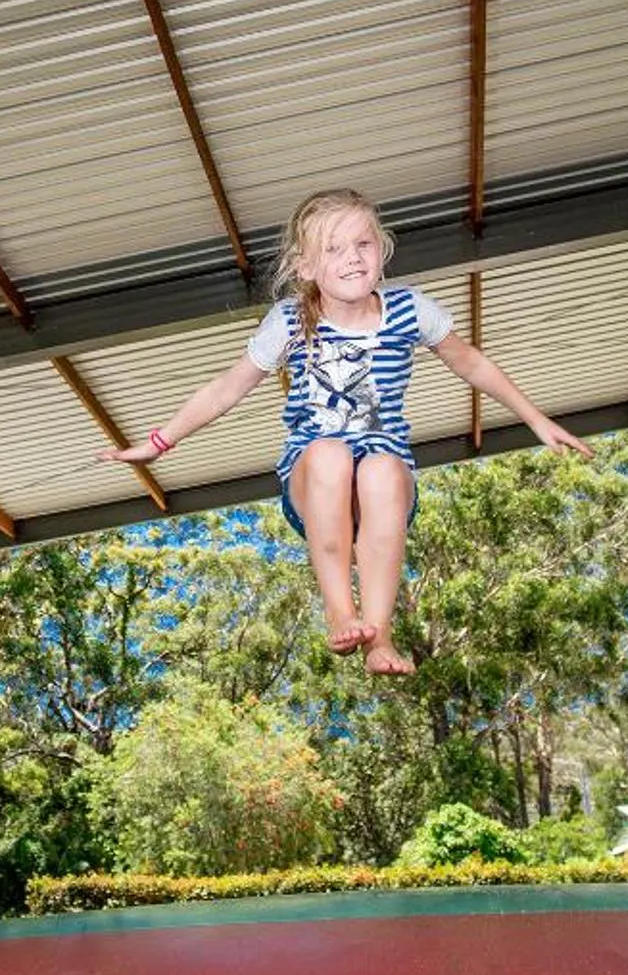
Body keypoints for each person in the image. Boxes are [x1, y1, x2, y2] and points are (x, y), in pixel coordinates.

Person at [102, 189, 589, 673]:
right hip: (313, 484)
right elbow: (225, 389)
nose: (352, 259)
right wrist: (161, 441)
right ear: (305, 267)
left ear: (382, 251)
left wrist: (537, 419)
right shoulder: (291, 321)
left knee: (378, 467)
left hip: (386, 489)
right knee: (331, 452)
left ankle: (379, 634)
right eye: (333, 249)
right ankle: (339, 607)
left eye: (363, 245)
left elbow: (473, 365)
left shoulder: (409, 311)